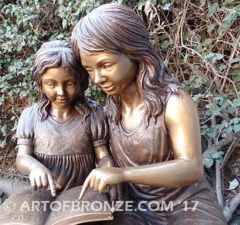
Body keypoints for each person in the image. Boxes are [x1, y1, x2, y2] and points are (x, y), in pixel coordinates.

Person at [71, 3, 226, 225]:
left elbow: (191, 168)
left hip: (187, 207)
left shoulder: (174, 102)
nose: (97, 78)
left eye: (106, 65)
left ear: (134, 53)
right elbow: (107, 157)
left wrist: (124, 175)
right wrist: (108, 173)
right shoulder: (110, 109)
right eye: (89, 69)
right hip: (136, 207)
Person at [16, 40, 115, 197]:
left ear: (81, 82)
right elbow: (22, 156)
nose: (61, 92)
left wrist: (107, 173)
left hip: (83, 194)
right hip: (45, 195)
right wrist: (34, 167)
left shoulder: (94, 114)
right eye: (51, 84)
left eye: (69, 84)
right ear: (40, 84)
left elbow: (103, 155)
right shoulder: (31, 117)